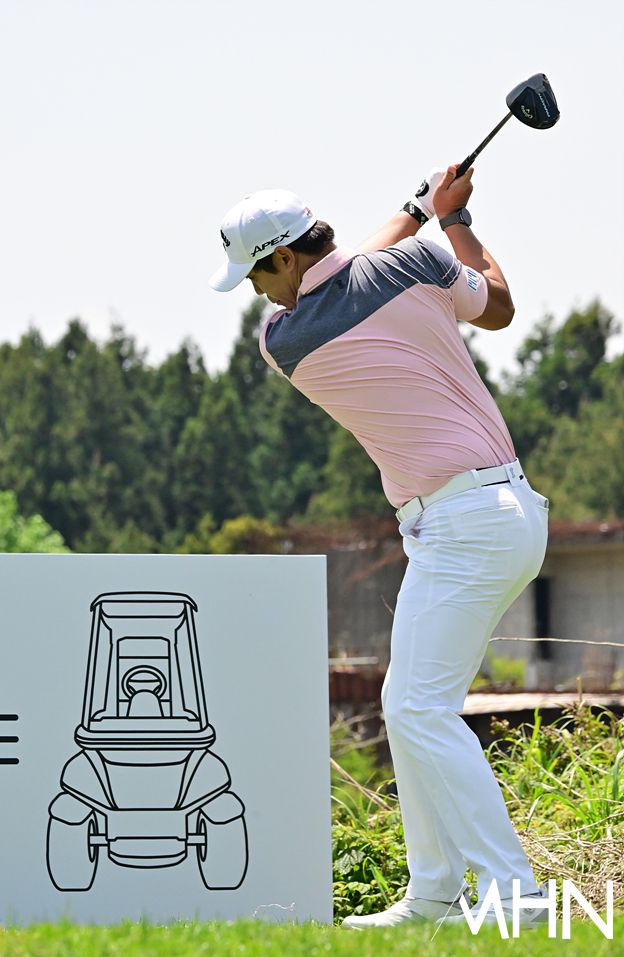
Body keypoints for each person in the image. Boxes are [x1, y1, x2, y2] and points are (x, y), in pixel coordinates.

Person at [208, 166, 551, 931]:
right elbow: (498, 306)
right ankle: (433, 892)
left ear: (284, 259)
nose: (258, 294)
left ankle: (514, 891)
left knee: (418, 706)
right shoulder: (419, 263)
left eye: (256, 275)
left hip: (464, 525)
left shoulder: (285, 340)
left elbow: (349, 274)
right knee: (410, 705)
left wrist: (418, 210)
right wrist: (449, 220)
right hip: (501, 511)